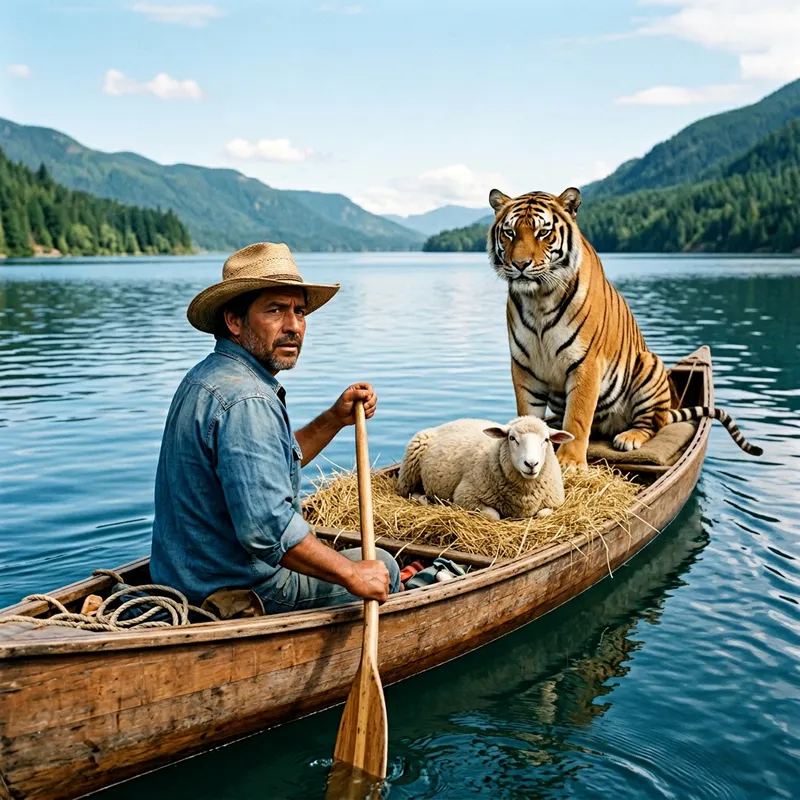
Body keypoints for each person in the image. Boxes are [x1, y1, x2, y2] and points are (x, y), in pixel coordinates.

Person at [150, 241, 401, 614]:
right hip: (238, 589)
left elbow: (268, 467)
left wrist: (334, 419)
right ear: (234, 321)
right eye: (275, 310)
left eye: (300, 312)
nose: (294, 326)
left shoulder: (208, 376)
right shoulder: (247, 400)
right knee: (386, 565)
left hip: (182, 578)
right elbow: (268, 531)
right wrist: (352, 573)